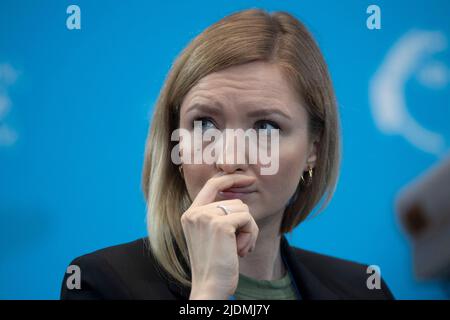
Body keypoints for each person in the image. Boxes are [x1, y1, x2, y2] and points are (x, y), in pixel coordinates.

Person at [60, 8, 394, 300]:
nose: (230, 158)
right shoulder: (100, 283)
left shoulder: (364, 289)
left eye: (266, 128)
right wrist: (209, 294)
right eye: (205, 124)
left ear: (313, 150)